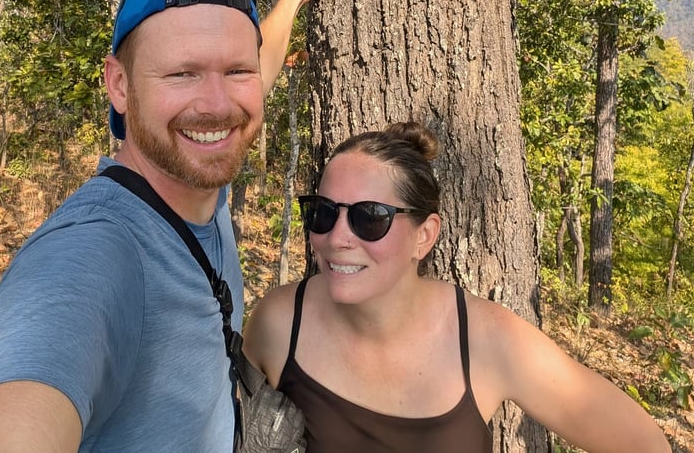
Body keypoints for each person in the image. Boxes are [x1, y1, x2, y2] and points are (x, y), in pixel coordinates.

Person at [0, 0, 337, 453]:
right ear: (119, 85)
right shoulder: (92, 252)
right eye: (182, 73)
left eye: (237, 71)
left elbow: (257, 72)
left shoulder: (196, 171)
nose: (216, 104)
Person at [243, 121, 672, 453]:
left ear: (424, 236)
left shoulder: (488, 339)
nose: (336, 237)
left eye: (369, 217)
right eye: (323, 212)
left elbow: (642, 443)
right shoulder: (280, 323)